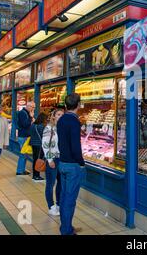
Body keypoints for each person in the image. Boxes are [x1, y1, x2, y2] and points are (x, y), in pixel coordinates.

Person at [57, 93, 85, 235]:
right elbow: (76, 146)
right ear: (78, 105)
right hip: (72, 165)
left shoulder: (61, 119)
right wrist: (81, 163)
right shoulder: (74, 121)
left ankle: (65, 227)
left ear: (66, 105)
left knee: (63, 197)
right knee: (70, 199)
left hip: (62, 163)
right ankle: (67, 231)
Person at [42, 109, 64, 216]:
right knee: (50, 184)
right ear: (54, 116)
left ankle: (59, 204)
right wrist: (50, 160)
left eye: (62, 115)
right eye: (58, 114)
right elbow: (45, 145)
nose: (61, 116)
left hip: (61, 159)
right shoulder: (48, 128)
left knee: (60, 183)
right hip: (53, 159)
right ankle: (51, 206)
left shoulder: (62, 128)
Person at [16, 102, 35, 176]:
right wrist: (31, 117)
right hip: (23, 136)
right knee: (23, 154)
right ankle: (20, 171)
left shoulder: (26, 113)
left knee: (25, 154)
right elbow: (25, 124)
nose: (33, 109)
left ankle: (22, 170)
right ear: (27, 106)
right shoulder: (23, 113)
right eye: (32, 107)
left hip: (26, 136)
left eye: (34, 107)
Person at [30, 112, 48, 182]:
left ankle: (35, 174)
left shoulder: (33, 125)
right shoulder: (42, 126)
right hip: (39, 145)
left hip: (33, 144)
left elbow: (30, 133)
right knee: (39, 160)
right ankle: (36, 176)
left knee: (35, 159)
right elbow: (44, 136)